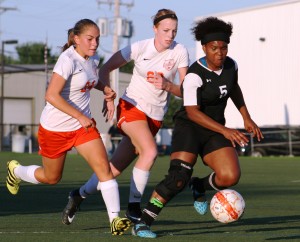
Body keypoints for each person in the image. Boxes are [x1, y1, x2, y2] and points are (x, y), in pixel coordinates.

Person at [131, 16, 264, 238]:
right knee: (178, 178)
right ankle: (143, 222)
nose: (220, 53)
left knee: (230, 176)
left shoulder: (231, 65)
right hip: (190, 127)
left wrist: (246, 117)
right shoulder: (194, 75)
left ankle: (199, 186)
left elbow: (234, 88)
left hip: (214, 128)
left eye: (223, 48)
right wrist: (226, 131)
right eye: (214, 48)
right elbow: (192, 112)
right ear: (204, 48)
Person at [61, 9, 189, 226]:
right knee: (149, 152)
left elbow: (186, 90)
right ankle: (134, 208)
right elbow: (105, 69)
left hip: (155, 118)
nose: (170, 35)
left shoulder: (180, 51)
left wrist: (167, 85)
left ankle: (78, 195)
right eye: (166, 30)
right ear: (155, 29)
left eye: (174, 31)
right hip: (131, 108)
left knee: (111, 171)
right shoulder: (139, 48)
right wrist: (108, 95)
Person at [5, 19, 131, 236]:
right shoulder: (67, 59)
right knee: (51, 178)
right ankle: (15, 171)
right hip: (54, 129)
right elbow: (51, 95)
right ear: (76, 38)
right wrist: (79, 116)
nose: (94, 43)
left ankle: (115, 220)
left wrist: (106, 90)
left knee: (104, 169)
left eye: (97, 39)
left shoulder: (92, 59)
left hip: (82, 128)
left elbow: (90, 80)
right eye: (90, 39)